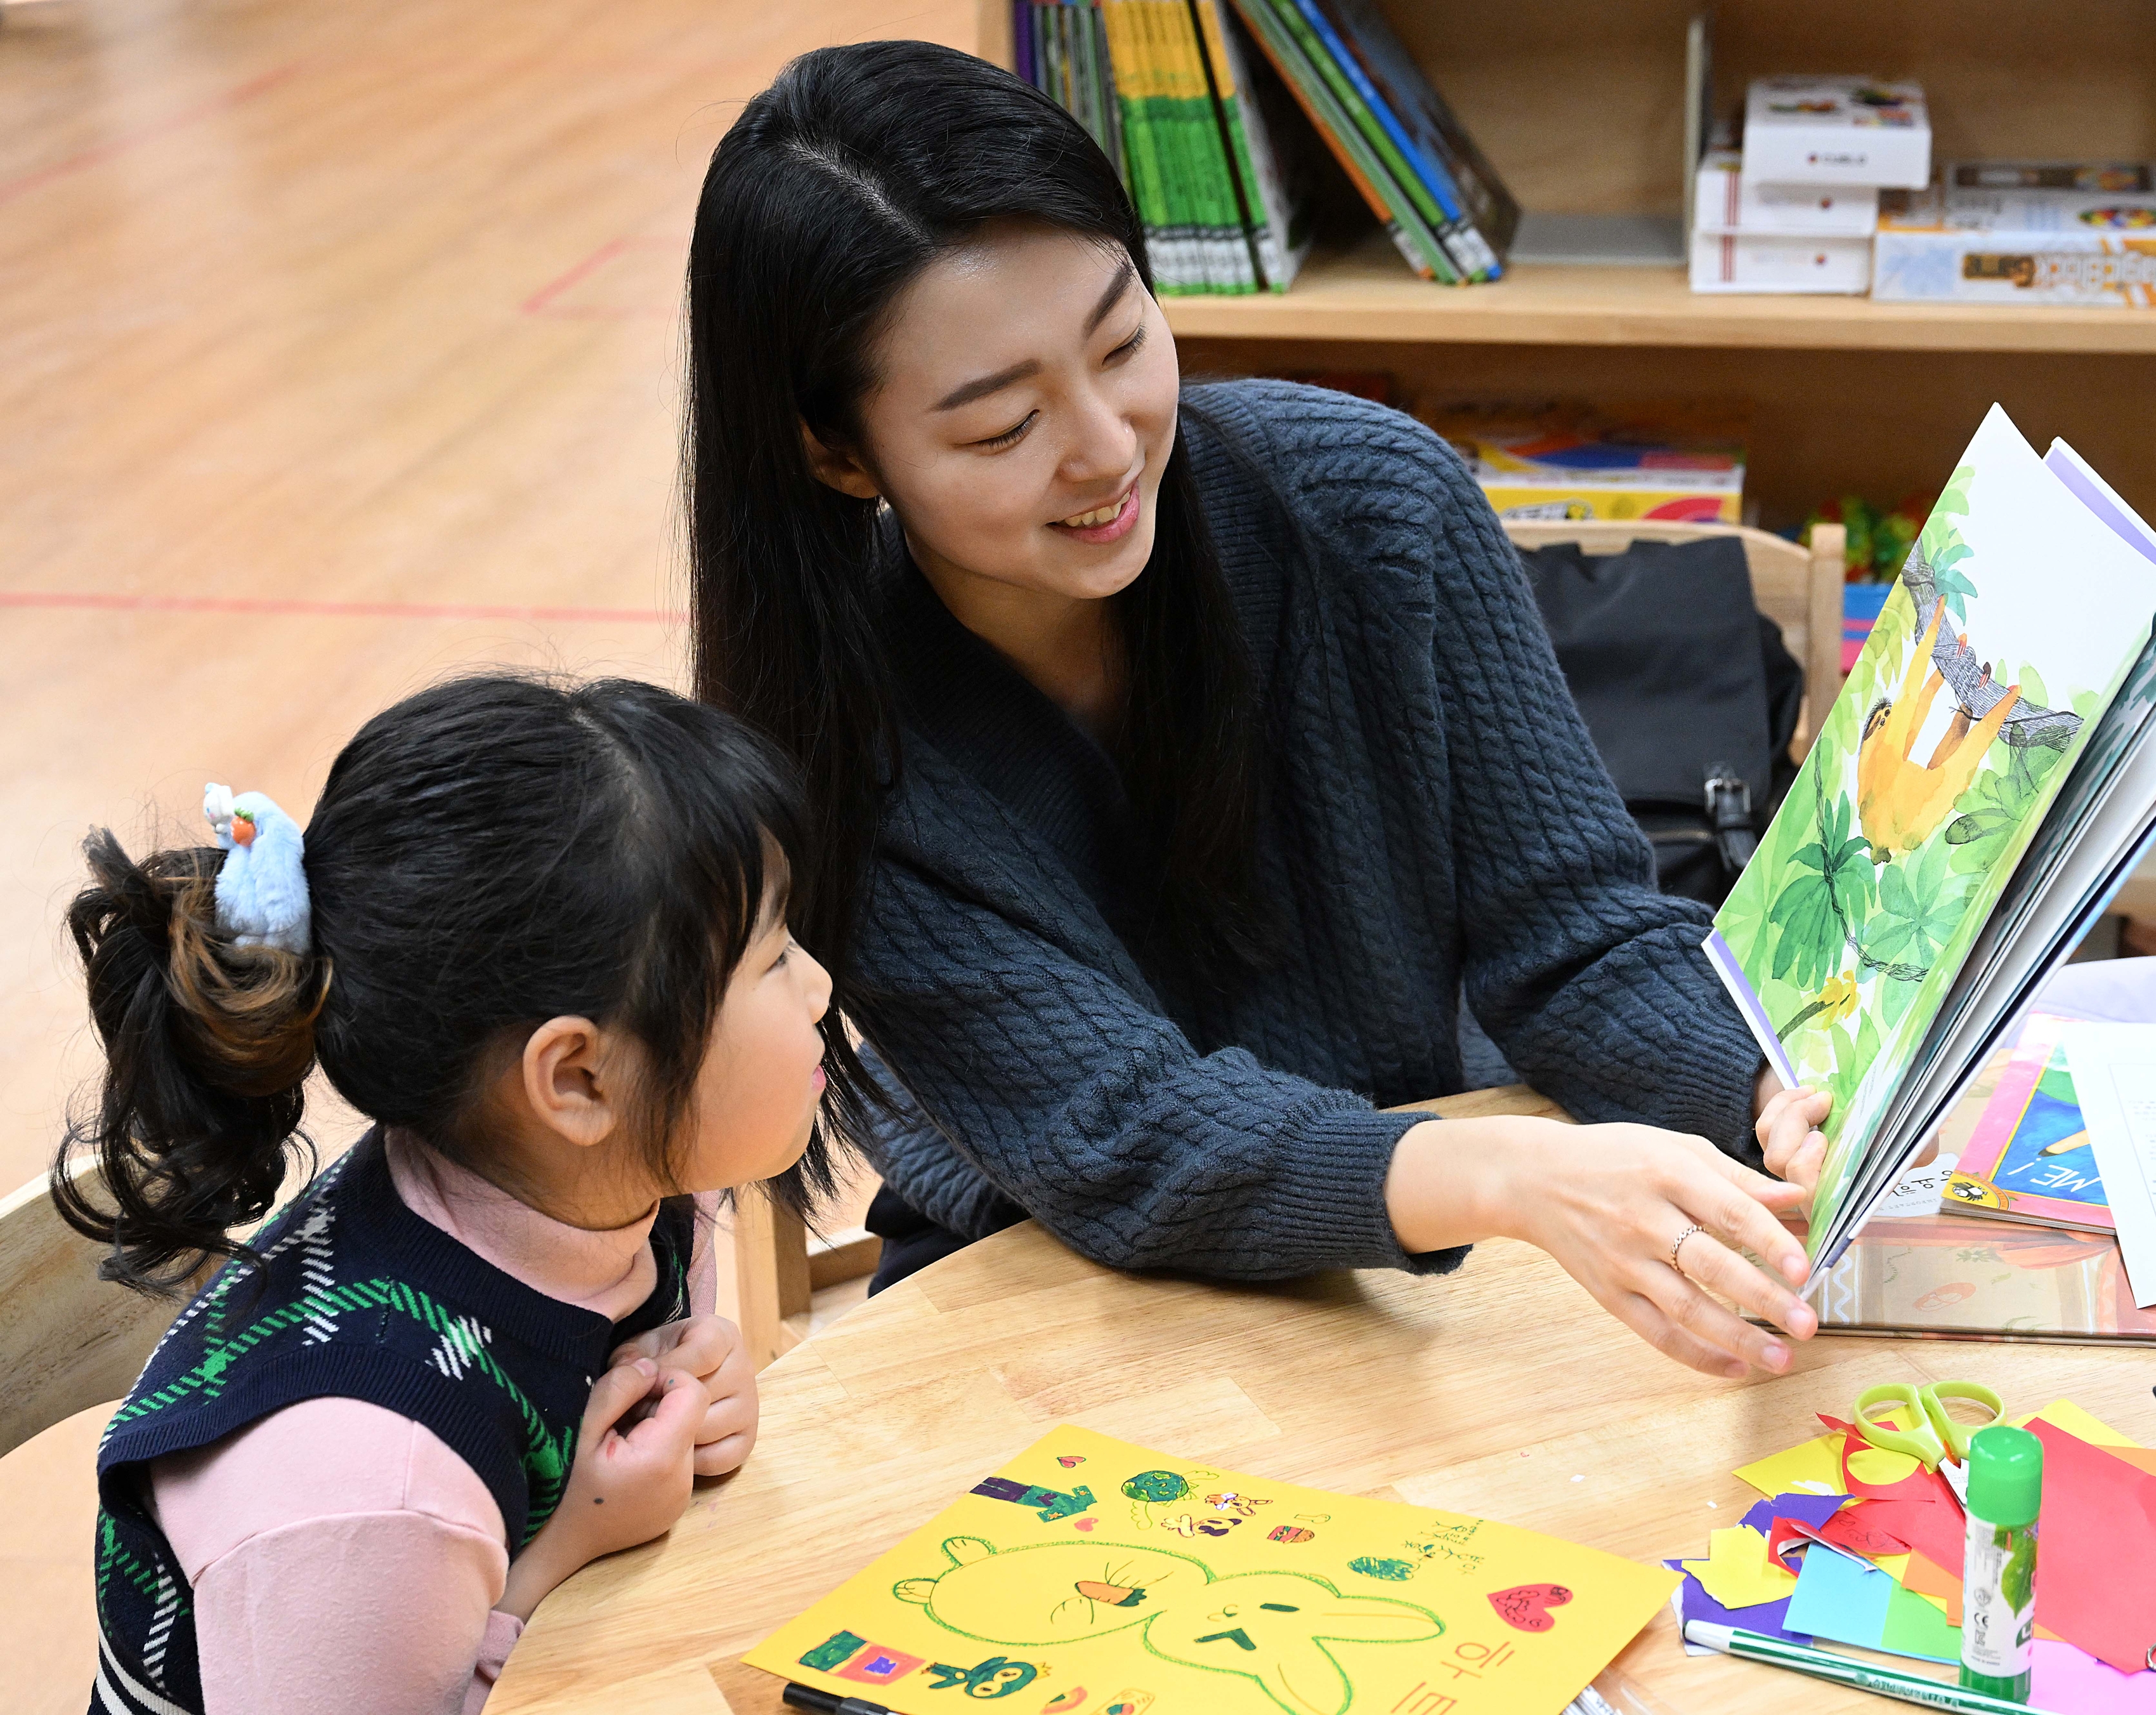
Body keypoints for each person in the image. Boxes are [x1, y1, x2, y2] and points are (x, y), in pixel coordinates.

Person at [684, 41, 1833, 1379]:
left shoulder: (1376, 508)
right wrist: (1509, 1175)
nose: (1108, 446)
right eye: (1000, 427)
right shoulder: (835, 738)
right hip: (1053, 1291)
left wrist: (1757, 1084)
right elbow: (1127, 1138)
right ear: (833, 451)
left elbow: (1574, 938)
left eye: (1122, 340)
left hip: (1410, 1262)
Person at [56, 674, 850, 1715]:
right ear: (577, 1079)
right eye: (776, 955)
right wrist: (564, 1556)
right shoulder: (366, 1494)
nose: (821, 984)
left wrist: (699, 1403)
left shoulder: (620, 1190)